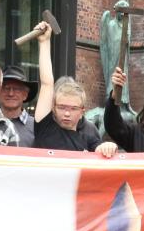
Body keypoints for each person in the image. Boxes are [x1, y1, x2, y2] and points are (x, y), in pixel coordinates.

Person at [32, 22, 117, 156]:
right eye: (62, 107)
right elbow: (47, 83)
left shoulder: (89, 136)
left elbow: (100, 149)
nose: (67, 114)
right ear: (53, 107)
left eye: (73, 109)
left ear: (82, 111)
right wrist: (44, 42)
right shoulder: (45, 127)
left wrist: (108, 146)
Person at [0, 65, 37, 147]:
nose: (11, 93)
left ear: (25, 95)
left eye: (17, 89)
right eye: (6, 88)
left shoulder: (36, 127)